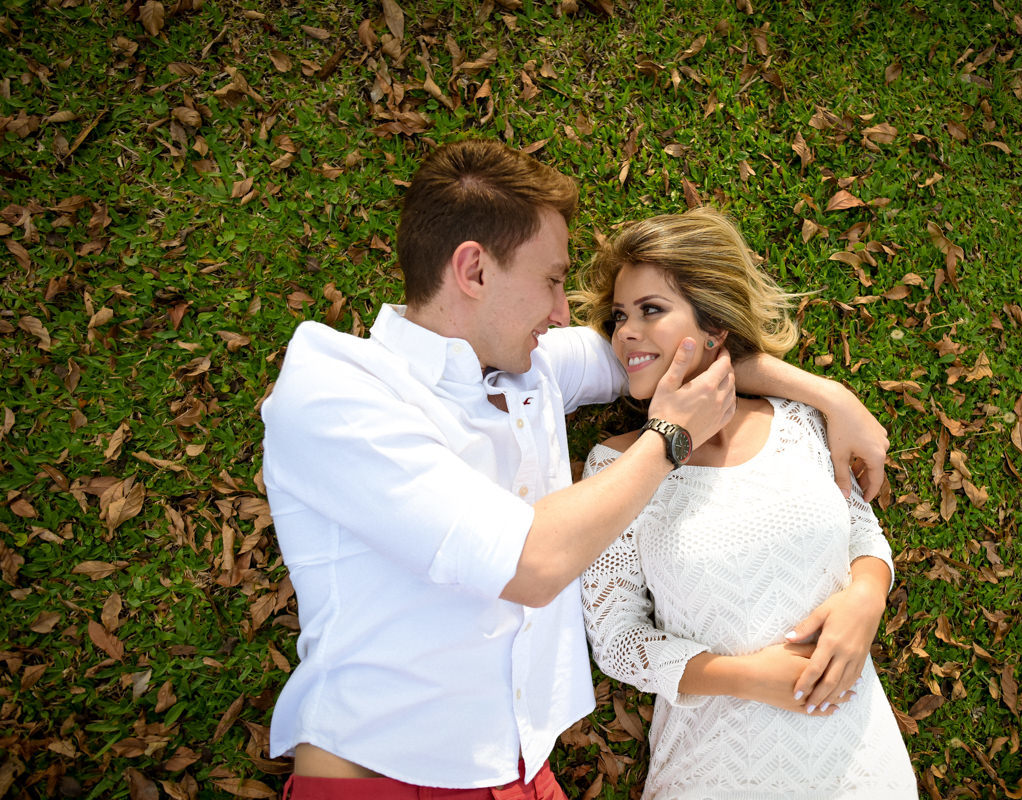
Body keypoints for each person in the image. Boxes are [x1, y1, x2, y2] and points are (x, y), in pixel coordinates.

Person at [260, 140, 891, 799]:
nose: (564, 312)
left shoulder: (530, 366)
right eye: (552, 281)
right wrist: (668, 438)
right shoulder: (335, 391)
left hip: (523, 777)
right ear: (474, 270)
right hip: (382, 783)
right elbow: (528, 564)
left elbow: (672, 352)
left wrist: (829, 397)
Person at [575, 208, 917, 798]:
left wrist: (867, 597)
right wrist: (747, 678)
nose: (625, 331)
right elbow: (618, 641)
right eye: (619, 316)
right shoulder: (616, 467)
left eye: (650, 309)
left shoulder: (802, 424)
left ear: (714, 326)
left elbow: (862, 531)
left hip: (862, 766)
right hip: (714, 770)